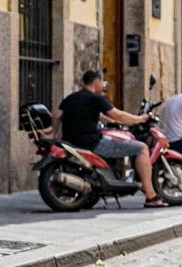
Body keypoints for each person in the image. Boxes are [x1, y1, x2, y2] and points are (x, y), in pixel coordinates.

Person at [52, 70, 158, 206]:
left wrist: (52, 134)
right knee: (142, 148)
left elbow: (56, 117)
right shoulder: (96, 98)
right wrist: (140, 119)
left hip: (71, 144)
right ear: (96, 82)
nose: (102, 85)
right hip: (93, 144)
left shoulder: (70, 98)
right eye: (101, 83)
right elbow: (118, 115)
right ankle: (151, 196)